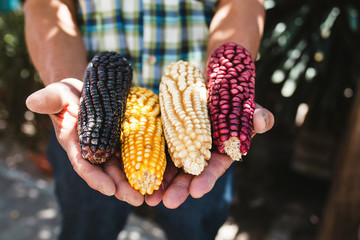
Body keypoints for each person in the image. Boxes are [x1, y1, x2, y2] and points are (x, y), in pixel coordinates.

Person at [23, 0, 274, 239]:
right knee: (85, 229)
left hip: (205, 120)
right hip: (88, 110)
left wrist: (228, 88)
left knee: (196, 231)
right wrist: (68, 82)